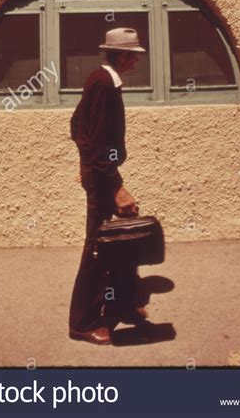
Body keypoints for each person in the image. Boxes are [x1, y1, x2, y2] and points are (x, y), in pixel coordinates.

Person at [68, 27, 147, 345]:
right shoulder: (103, 83)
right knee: (98, 247)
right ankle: (83, 322)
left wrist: (85, 162)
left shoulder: (103, 80)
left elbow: (77, 125)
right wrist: (115, 186)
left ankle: (124, 302)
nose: (136, 63)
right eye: (134, 56)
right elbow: (97, 140)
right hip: (103, 177)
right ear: (123, 55)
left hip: (99, 171)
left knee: (125, 235)